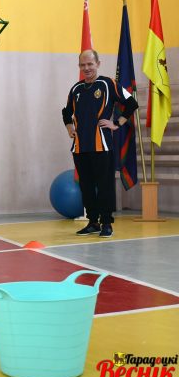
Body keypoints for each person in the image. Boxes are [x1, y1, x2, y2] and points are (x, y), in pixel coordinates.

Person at [62, 49, 138, 238]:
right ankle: (93, 222)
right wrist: (69, 127)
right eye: (83, 65)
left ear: (98, 64)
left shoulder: (108, 84)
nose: (86, 68)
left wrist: (116, 123)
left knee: (104, 186)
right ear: (79, 66)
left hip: (102, 146)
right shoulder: (76, 89)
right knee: (86, 187)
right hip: (80, 147)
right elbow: (66, 112)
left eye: (90, 64)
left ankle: (106, 223)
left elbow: (131, 103)